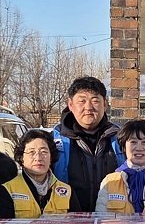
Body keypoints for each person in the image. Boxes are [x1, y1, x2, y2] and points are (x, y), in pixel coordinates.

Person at [51, 76, 125, 211]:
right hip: (67, 219)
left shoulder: (121, 139)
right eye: (82, 101)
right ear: (70, 104)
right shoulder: (54, 141)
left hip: (113, 218)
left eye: (95, 101)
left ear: (105, 104)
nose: (88, 107)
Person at [0, 129, 80, 218]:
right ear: (22, 158)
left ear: (51, 157)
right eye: (31, 152)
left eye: (44, 152)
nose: (38, 158)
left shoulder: (67, 191)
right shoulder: (7, 190)